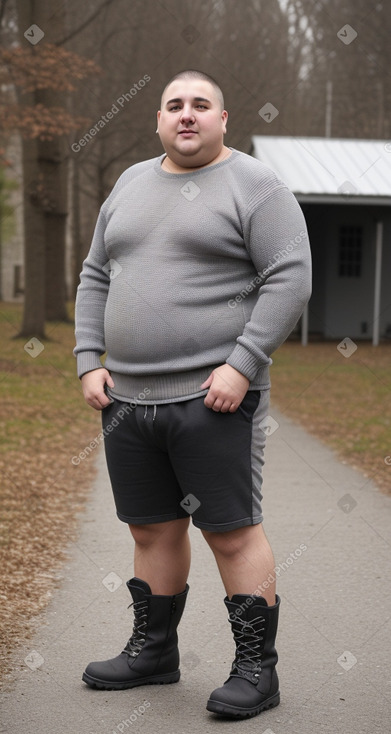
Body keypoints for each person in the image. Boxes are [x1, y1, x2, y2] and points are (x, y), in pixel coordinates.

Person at [74, 69, 312, 719]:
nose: (186, 115)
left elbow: (289, 277)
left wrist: (242, 364)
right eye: (174, 105)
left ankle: (255, 672)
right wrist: (87, 359)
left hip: (215, 398)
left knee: (231, 533)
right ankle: (153, 653)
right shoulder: (128, 184)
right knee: (150, 528)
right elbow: (96, 274)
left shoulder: (255, 185)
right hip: (127, 401)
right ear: (157, 120)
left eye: (199, 105)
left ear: (222, 118)